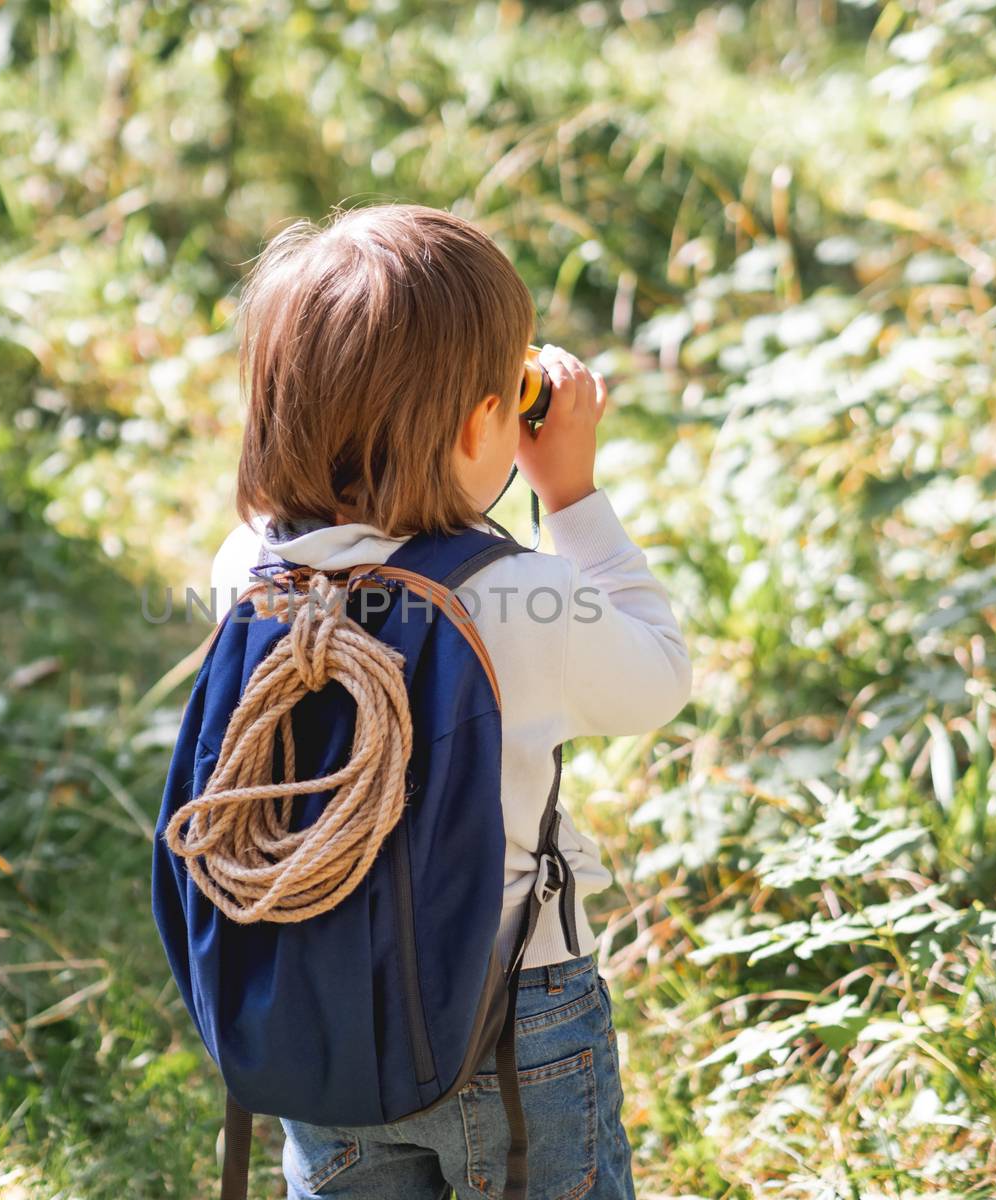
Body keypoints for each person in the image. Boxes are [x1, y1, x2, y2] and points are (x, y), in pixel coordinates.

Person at [205, 202, 692, 1200]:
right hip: (514, 1017)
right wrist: (570, 495)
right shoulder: (510, 597)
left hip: (315, 1005)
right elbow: (657, 678)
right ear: (484, 421)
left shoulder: (247, 572)